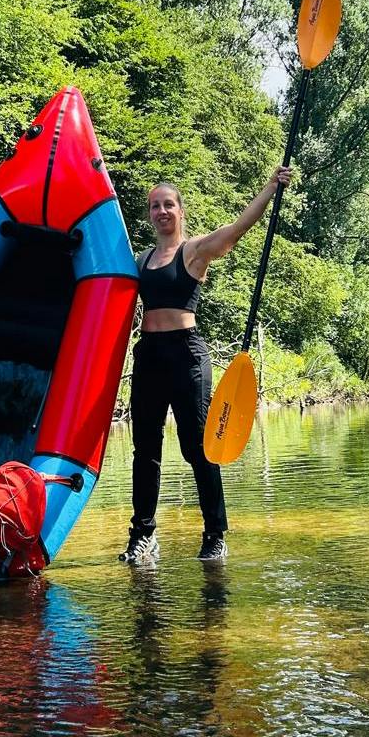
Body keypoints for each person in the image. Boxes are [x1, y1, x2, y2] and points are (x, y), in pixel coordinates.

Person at [120, 167, 292, 565]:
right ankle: (143, 535)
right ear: (149, 215)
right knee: (144, 449)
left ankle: (215, 534)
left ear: (180, 211)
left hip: (187, 356)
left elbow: (235, 230)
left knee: (198, 448)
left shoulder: (194, 251)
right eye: (154, 206)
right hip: (148, 355)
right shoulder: (139, 260)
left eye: (168, 204)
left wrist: (269, 187)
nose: (161, 211)